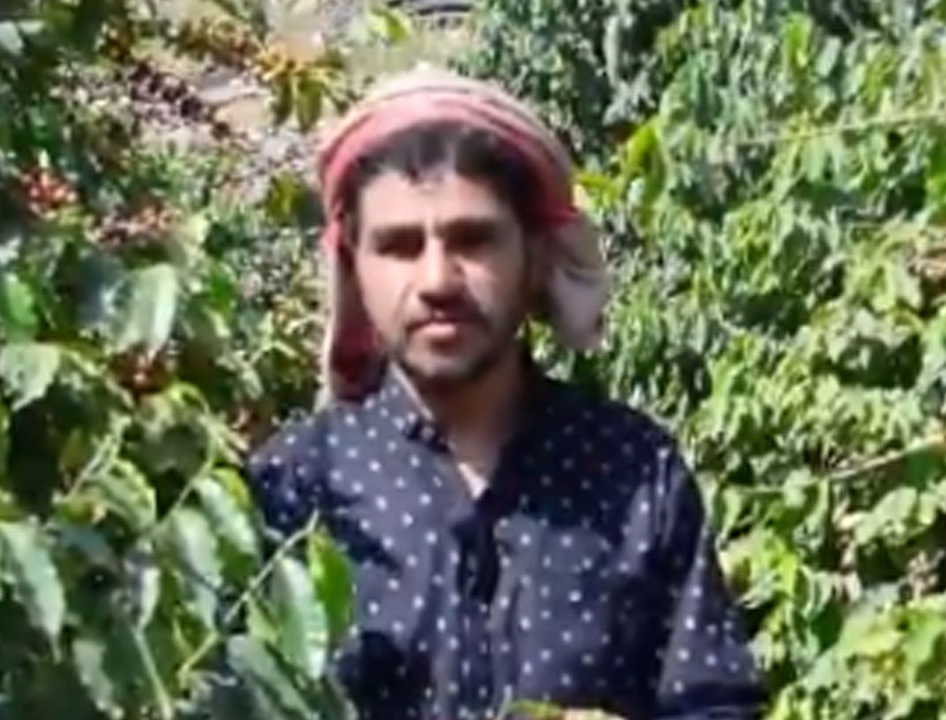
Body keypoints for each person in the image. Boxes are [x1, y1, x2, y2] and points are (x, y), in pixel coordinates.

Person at [246, 67, 766, 720]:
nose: (437, 280)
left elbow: (713, 703)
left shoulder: (633, 472)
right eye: (399, 246)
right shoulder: (295, 487)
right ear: (355, 266)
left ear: (535, 256)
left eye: (472, 240)